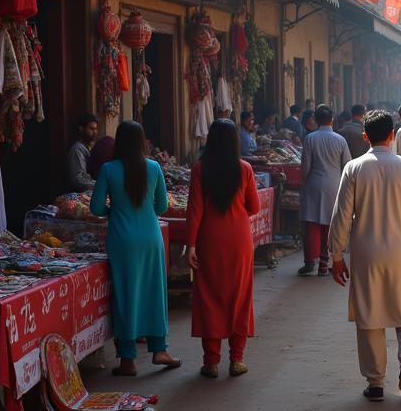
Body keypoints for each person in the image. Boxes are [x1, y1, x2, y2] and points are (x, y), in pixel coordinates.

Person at [330, 110, 401, 402]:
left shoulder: (354, 168)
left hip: (365, 251)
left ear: (365, 137)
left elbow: (342, 216)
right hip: (400, 250)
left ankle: (375, 383)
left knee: (369, 315)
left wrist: (336, 254)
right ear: (393, 135)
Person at [90, 120, 180, 376]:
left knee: (125, 295)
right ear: (142, 141)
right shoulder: (153, 167)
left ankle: (128, 359)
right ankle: (159, 349)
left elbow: (96, 208)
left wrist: (116, 211)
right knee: (155, 291)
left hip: (121, 239)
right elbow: (162, 206)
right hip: (151, 237)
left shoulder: (108, 169)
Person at [186, 120, 260, 379]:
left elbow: (195, 211)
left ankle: (211, 361)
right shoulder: (245, 169)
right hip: (239, 239)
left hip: (209, 239)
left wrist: (191, 245)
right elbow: (254, 207)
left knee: (209, 296)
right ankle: (237, 359)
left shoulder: (199, 169)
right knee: (240, 295)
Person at [298, 105, 351, 277]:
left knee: (312, 223)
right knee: (330, 224)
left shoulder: (310, 138)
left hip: (313, 182)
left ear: (316, 120)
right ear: (332, 119)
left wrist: (303, 183)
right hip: (334, 184)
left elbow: (305, 165)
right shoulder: (340, 139)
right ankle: (324, 262)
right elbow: (347, 165)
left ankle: (309, 261)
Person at [67, 113, 99, 191]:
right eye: (91, 129)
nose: (94, 132)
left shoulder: (89, 146)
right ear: (81, 129)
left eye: (95, 129)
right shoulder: (77, 149)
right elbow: (77, 179)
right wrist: (99, 185)